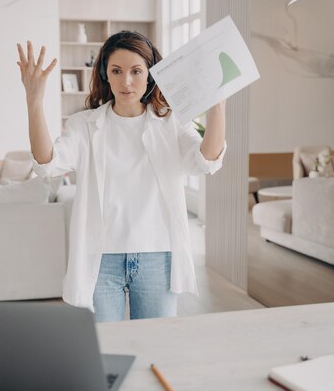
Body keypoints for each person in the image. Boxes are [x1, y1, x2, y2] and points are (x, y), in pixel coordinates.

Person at [16, 31, 226, 322]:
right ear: (106, 75)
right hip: (101, 260)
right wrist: (34, 102)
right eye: (117, 71)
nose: (126, 81)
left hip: (158, 256)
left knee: (155, 347)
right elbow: (46, 164)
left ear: (150, 75)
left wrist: (217, 104)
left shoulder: (171, 123)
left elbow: (207, 161)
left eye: (136, 71)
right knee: (106, 349)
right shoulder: (83, 126)